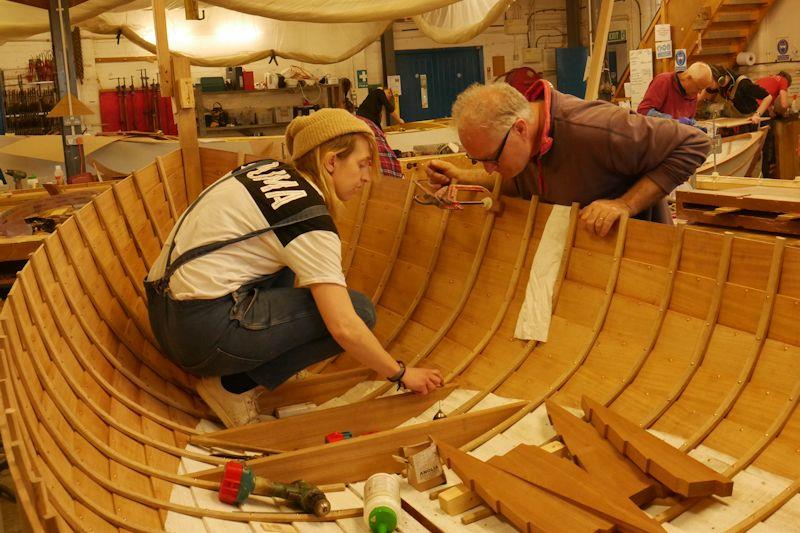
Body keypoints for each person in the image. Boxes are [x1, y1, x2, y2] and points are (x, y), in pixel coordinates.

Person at [145, 109, 443, 428]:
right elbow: (345, 326)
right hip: (201, 334)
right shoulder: (309, 220)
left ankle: (264, 363)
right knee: (359, 313)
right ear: (331, 162)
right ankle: (233, 387)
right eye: (362, 164)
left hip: (162, 314)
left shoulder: (263, 170)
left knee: (290, 261)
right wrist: (401, 373)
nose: (367, 177)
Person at [425, 81, 710, 237]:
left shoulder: (595, 128)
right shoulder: (520, 147)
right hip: (587, 263)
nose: (490, 169)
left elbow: (694, 142)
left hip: (640, 258)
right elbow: (518, 182)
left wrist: (624, 204)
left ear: (521, 129)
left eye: (492, 160)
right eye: (479, 161)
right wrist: (463, 176)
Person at [637, 62, 715, 125]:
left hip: (677, 139)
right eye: (698, 88)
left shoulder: (692, 94)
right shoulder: (663, 81)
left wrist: (694, 125)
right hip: (657, 140)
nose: (699, 93)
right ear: (688, 78)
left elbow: (689, 119)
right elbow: (643, 111)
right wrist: (673, 121)